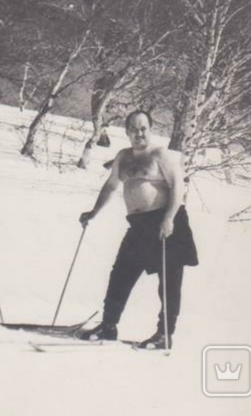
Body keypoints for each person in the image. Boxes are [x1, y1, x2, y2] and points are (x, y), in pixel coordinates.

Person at [78, 110, 198, 349]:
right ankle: (108, 326)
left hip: (166, 222)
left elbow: (177, 188)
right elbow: (110, 187)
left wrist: (169, 218)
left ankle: (165, 334)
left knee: (169, 281)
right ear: (127, 131)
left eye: (143, 128)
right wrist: (93, 212)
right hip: (139, 227)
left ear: (151, 130)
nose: (139, 133)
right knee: (121, 273)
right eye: (133, 128)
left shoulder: (160, 155)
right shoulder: (123, 157)